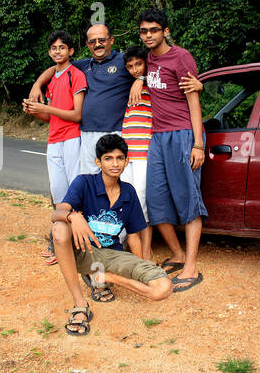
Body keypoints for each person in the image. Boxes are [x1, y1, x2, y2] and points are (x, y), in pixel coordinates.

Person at [48, 132, 172, 335]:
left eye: (119, 158)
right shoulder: (84, 182)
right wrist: (73, 216)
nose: (115, 164)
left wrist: (140, 267)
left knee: (163, 288)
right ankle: (80, 303)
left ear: (126, 161)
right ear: (98, 162)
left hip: (109, 255)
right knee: (60, 229)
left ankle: (105, 277)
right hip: (79, 251)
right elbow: (57, 214)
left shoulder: (129, 192)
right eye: (108, 158)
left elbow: (133, 235)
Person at [135, 8, 206, 290]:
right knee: (155, 200)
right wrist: (139, 79)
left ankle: (190, 266)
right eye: (143, 31)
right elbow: (130, 66)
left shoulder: (181, 57)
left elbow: (193, 100)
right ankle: (176, 253)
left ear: (165, 31)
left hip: (183, 135)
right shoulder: (147, 60)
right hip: (157, 138)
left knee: (188, 200)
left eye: (153, 30)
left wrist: (198, 144)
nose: (148, 35)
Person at [20, 31, 86, 262]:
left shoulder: (75, 75)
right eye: (54, 48)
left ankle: (80, 245)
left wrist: (46, 109)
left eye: (62, 47)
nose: (58, 51)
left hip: (72, 138)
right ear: (49, 52)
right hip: (54, 140)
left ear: (71, 51)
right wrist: (36, 112)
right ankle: (60, 242)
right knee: (58, 194)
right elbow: (50, 118)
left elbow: (77, 115)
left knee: (74, 192)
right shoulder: (52, 80)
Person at [117, 44, 155, 200]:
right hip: (127, 150)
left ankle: (143, 224)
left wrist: (142, 78)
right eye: (130, 67)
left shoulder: (153, 86)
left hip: (144, 152)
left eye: (138, 64)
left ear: (146, 63)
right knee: (126, 192)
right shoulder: (131, 87)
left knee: (140, 193)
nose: (135, 69)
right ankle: (129, 224)